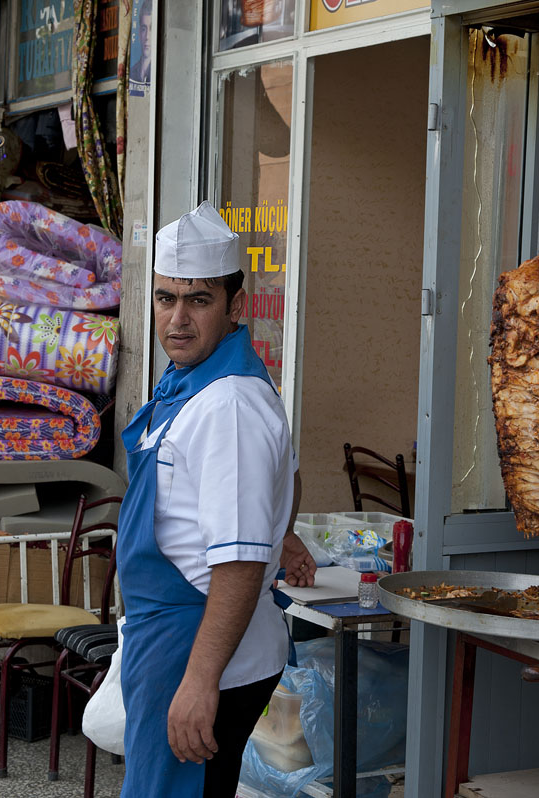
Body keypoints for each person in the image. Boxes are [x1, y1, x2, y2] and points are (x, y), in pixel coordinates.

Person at [117, 200, 316, 798]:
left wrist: (200, 681)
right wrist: (281, 524)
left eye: (198, 300)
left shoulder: (228, 404)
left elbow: (238, 565)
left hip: (201, 647)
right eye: (165, 298)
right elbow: (290, 471)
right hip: (171, 636)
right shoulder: (194, 379)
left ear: (235, 307)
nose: (177, 319)